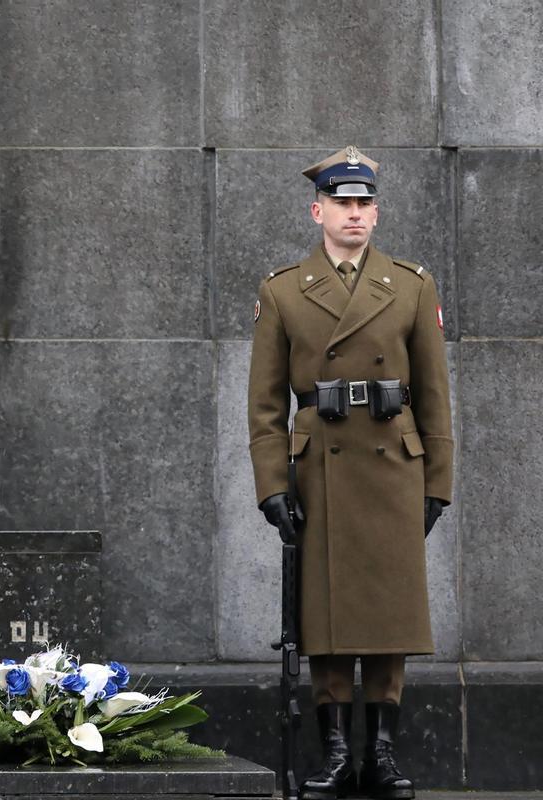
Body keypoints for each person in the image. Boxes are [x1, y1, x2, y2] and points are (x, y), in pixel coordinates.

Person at [248, 146, 453, 800]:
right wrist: (273, 484)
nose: (355, 214)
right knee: (329, 618)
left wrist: (439, 483)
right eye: (343, 203)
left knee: (388, 615)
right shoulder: (283, 290)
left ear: (377, 211)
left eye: (365, 203)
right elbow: (265, 403)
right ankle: (337, 754)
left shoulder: (411, 285)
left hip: (392, 464)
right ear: (319, 211)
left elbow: (435, 394)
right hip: (323, 469)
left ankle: (382, 757)